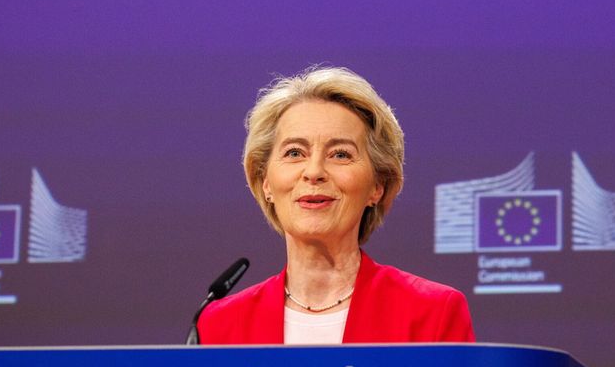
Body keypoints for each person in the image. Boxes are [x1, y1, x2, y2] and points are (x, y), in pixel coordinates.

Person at [198, 66, 474, 344]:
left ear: (377, 186)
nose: (314, 171)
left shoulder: (432, 313)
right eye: (294, 153)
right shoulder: (219, 324)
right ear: (265, 181)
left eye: (340, 154)